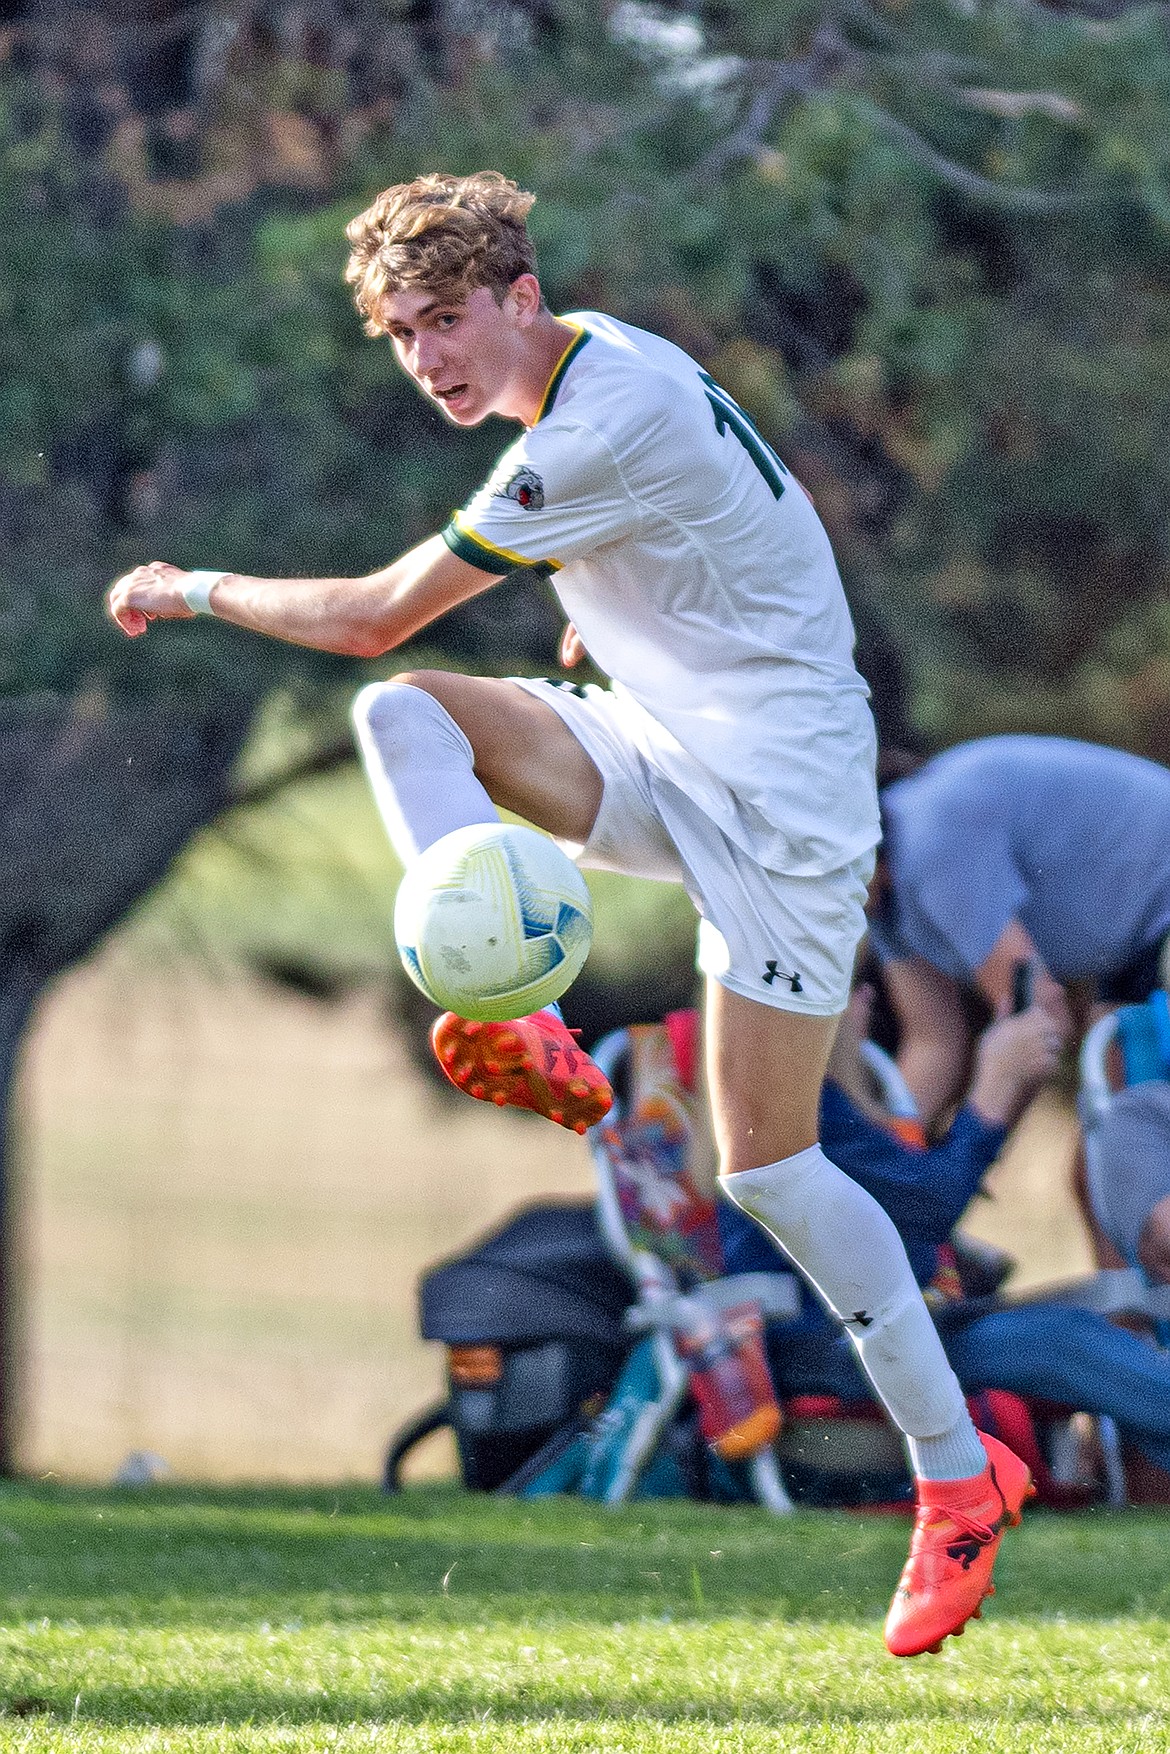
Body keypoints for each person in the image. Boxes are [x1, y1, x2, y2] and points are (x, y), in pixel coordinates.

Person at [106, 169, 1030, 1657]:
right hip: (663, 745)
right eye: (402, 335)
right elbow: (716, 532)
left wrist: (189, 583)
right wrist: (614, 607)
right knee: (409, 720)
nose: (429, 360)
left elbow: (364, 608)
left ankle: (954, 1477)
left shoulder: (596, 420)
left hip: (787, 806)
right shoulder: (589, 365)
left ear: (521, 296)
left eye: (448, 321)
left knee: (772, 1171)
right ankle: (514, 1007)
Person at [723, 985, 1170, 1483]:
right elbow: (927, 1207)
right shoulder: (799, 1103)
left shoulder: (786, 1099)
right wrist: (994, 1089)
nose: (868, 995)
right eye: (849, 982)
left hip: (869, 1339)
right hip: (835, 1357)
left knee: (1077, 1339)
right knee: (1067, 1344)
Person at [870, 734, 1170, 1131]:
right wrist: (887, 1167)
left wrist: (964, 1158)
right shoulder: (875, 892)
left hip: (1157, 912)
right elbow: (933, 1042)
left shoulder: (928, 842)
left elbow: (1038, 1010)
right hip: (1137, 937)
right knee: (1114, 1148)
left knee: (1129, 1147)